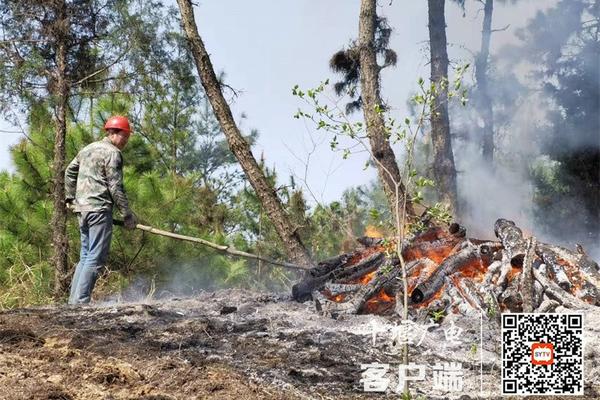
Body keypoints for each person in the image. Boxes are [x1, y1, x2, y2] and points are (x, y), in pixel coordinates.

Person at [65, 115, 137, 304]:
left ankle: (73, 302)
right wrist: (127, 214)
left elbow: (69, 171)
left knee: (85, 255)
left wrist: (70, 197)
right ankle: (80, 302)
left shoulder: (87, 149)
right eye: (125, 136)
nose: (126, 141)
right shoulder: (112, 153)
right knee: (95, 257)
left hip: (82, 209)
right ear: (114, 133)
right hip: (99, 209)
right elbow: (115, 187)